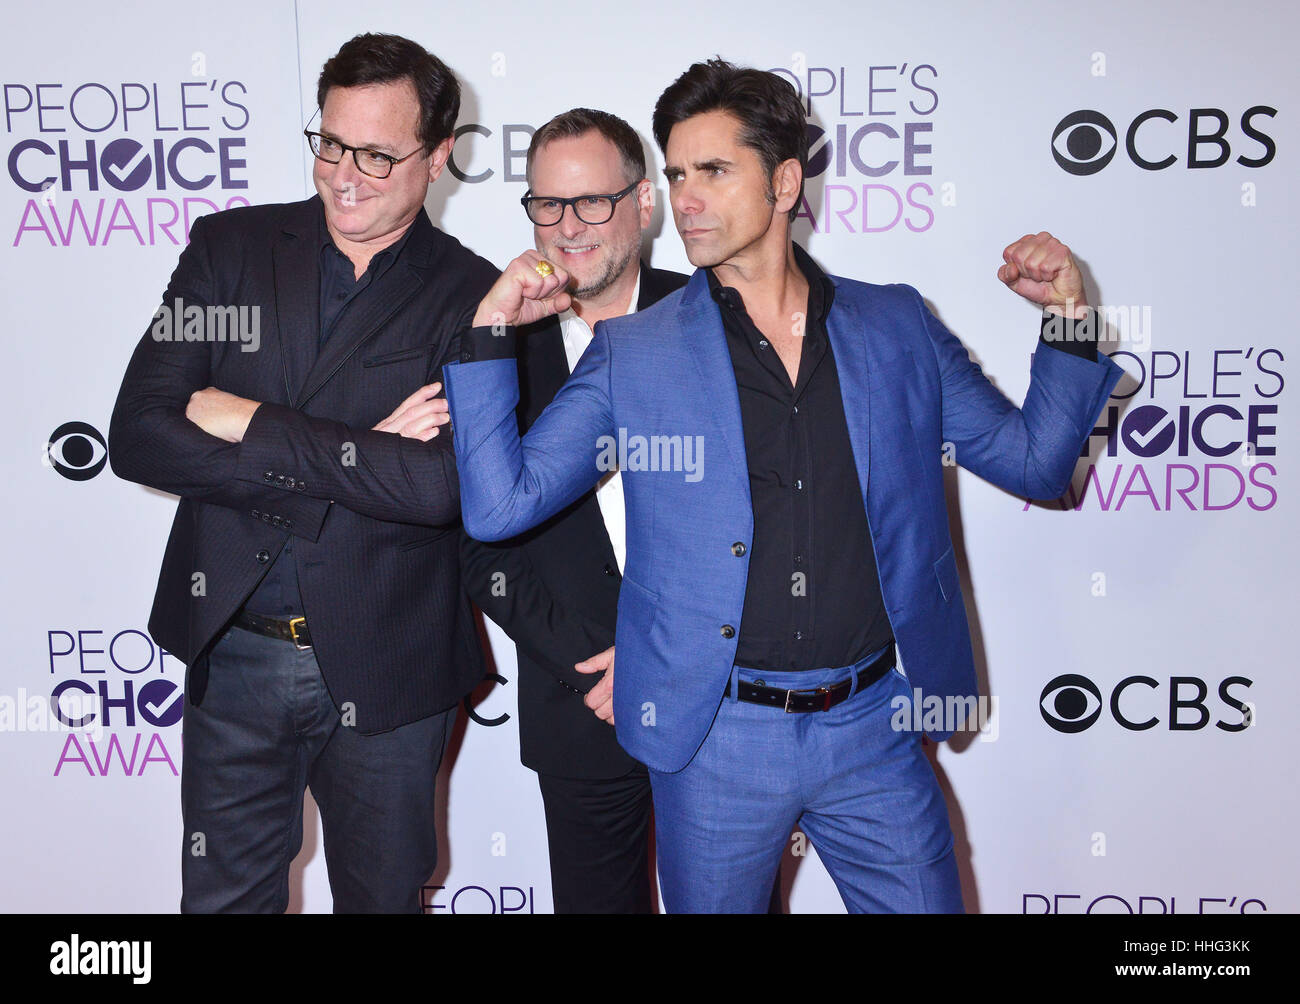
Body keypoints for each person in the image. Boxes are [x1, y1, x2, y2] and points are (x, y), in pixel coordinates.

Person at [444, 58, 1122, 913]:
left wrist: (1068, 320)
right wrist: (488, 333)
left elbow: (1035, 462)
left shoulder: (897, 326)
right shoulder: (638, 353)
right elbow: (500, 506)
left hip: (875, 728)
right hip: (717, 742)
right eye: (678, 173)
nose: (686, 198)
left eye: (714, 171)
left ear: (786, 181)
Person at [108, 32, 496, 913]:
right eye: (329, 143)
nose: (343, 174)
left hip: (392, 667)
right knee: (222, 902)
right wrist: (362, 448)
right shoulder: (230, 250)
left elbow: (438, 490)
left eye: (375, 153)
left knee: (384, 900)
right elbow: (137, 433)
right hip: (234, 648)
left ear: (438, 157)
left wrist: (247, 421)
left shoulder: (472, 292)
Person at [459, 108, 686, 913]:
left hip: (714, 690)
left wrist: (663, 655)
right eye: (547, 204)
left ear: (644, 202)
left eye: (592, 201)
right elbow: (476, 544)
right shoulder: (493, 345)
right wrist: (595, 660)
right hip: (578, 698)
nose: (567, 226)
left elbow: (762, 511)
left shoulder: (713, 320)